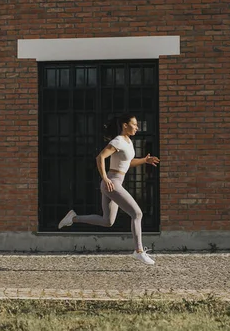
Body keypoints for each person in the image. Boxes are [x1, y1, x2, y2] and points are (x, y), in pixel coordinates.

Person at [57, 113, 160, 265]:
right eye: (135, 124)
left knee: (107, 221)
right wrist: (105, 178)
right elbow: (100, 157)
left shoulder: (128, 141)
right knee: (137, 213)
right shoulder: (118, 141)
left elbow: (128, 162)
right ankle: (139, 251)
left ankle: (72, 218)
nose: (137, 127)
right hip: (112, 183)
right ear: (125, 125)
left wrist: (145, 160)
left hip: (115, 182)